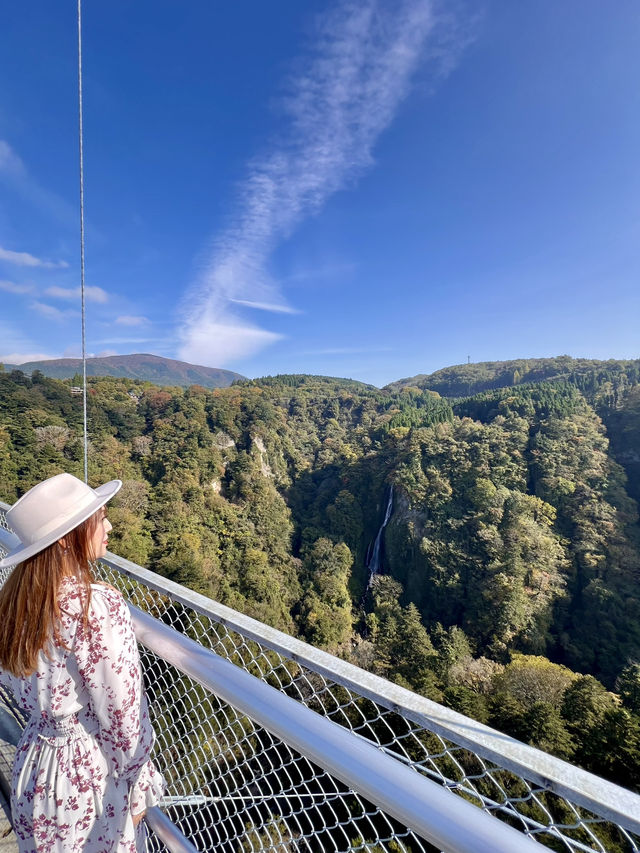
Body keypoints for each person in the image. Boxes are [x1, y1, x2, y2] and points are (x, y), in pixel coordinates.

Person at [0, 473, 164, 853]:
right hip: (88, 778)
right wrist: (139, 786)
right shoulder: (95, 607)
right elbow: (124, 716)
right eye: (100, 517)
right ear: (65, 538)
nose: (108, 526)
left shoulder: (19, 605)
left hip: (35, 767)